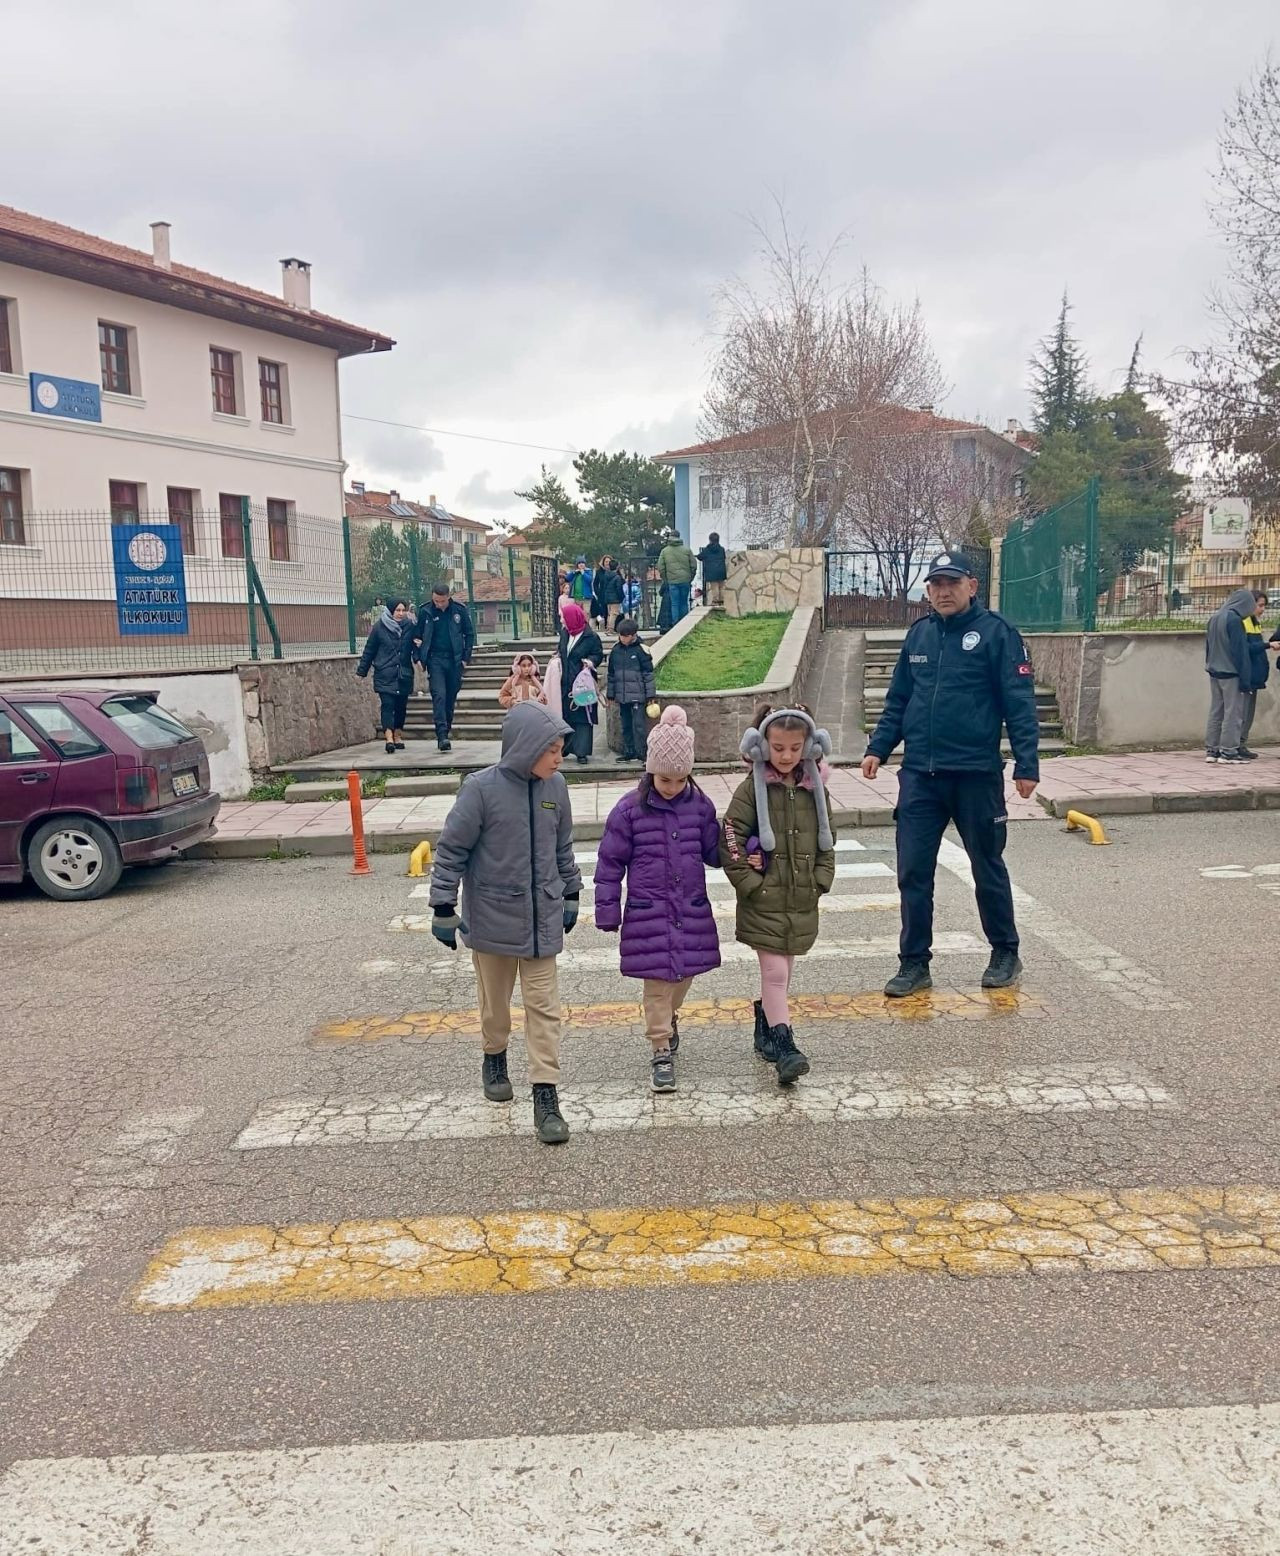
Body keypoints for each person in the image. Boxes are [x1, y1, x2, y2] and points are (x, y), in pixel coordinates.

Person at [861, 549, 1040, 998]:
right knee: (913, 872)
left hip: (975, 774)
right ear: (928, 590)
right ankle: (914, 963)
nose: (943, 591)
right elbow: (899, 700)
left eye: (952, 582)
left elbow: (1019, 703)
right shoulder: (919, 635)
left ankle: (1005, 952)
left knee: (987, 865)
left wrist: (1027, 763)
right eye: (936, 584)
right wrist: (878, 748)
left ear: (971, 586)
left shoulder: (998, 634)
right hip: (920, 776)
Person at [428, 701, 581, 1144]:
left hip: (542, 919)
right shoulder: (480, 790)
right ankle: (494, 1056)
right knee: (495, 1007)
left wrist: (571, 891)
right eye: (552, 750)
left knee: (544, 1009)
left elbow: (562, 846)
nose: (559, 758)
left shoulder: (556, 788)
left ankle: (545, 1094)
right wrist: (443, 906)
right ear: (526, 747)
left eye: (561, 750)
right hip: (493, 919)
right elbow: (451, 850)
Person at [594, 707, 721, 1093]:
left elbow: (714, 853)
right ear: (651, 771)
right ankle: (660, 1049)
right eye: (665, 779)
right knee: (656, 985)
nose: (673, 786)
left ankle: (669, 1016)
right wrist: (607, 908)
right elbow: (610, 862)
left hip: (690, 909)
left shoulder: (700, 806)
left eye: (681, 779)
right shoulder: (629, 810)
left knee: (683, 976)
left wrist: (742, 846)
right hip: (648, 913)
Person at [721, 706, 836, 1086]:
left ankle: (765, 1027)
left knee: (784, 973)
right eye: (778, 747)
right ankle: (786, 1048)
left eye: (795, 748)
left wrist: (820, 880)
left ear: (810, 747)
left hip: (801, 898)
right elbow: (730, 837)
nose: (786, 756)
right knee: (775, 973)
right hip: (765, 898)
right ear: (761, 745)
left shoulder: (815, 789)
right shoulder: (751, 790)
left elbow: (827, 840)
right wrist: (751, 884)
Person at [416, 582, 475, 753]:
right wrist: (418, 657)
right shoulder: (426, 611)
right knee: (439, 696)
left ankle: (446, 729)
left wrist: (465, 658)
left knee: (450, 698)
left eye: (442, 601)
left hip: (455, 660)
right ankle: (441, 735)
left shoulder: (459, 610)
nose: (439, 604)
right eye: (436, 600)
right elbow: (416, 635)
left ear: (448, 597)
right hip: (435, 659)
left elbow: (469, 634)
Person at [545, 601, 603, 764]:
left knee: (582, 717)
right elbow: (562, 650)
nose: (561, 620)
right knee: (566, 715)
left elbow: (598, 654)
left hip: (582, 683)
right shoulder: (565, 633)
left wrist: (590, 661)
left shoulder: (591, 637)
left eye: (563, 617)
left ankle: (581, 752)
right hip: (565, 682)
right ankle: (566, 747)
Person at [356, 596, 416, 753]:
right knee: (388, 705)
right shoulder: (379, 627)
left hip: (403, 673)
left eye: (403, 610)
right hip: (385, 673)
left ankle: (398, 735)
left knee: (401, 706)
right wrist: (362, 670)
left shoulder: (410, 626)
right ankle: (389, 738)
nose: (401, 613)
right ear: (390, 611)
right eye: (397, 610)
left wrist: (420, 658)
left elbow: (415, 646)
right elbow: (370, 650)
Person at [1204, 587, 1257, 764]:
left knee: (1216, 712)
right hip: (1231, 673)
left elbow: (1208, 646)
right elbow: (1240, 651)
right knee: (1233, 713)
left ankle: (1212, 750)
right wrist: (1246, 679)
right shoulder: (1234, 620)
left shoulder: (1214, 617)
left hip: (1214, 671)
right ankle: (1229, 752)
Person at [606, 617, 656, 762]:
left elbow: (648, 674)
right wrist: (611, 694)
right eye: (620, 635)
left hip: (637, 696)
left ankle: (642, 753)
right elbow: (611, 674)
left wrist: (650, 695)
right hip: (622, 696)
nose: (622, 638)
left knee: (639, 726)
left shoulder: (641, 650)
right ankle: (629, 751)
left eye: (625, 636)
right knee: (626, 725)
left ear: (633, 635)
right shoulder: (616, 650)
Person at [1240, 590, 1270, 759]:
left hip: (1256, 676)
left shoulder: (1255, 623)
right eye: (1260, 605)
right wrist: (1267, 645)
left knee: (1249, 712)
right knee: (1243, 712)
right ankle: (1238, 744)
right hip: (1248, 675)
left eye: (1264, 606)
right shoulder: (1244, 623)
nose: (1262, 609)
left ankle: (1242, 743)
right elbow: (1247, 649)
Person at [658, 531, 698, 623]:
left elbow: (661, 567)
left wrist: (666, 578)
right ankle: (684, 622)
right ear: (679, 537)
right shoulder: (687, 550)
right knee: (684, 602)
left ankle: (675, 623)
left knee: (674, 604)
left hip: (672, 581)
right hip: (685, 580)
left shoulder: (665, 551)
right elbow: (693, 566)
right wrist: (690, 577)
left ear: (670, 537)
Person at [591, 555, 626, 632]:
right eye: (606, 561)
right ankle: (610, 629)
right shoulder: (600, 572)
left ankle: (610, 628)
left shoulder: (614, 573)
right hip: (606, 596)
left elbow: (622, 582)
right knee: (611, 613)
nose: (607, 563)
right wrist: (598, 593)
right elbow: (595, 584)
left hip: (611, 596)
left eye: (609, 561)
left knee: (611, 613)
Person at [698, 532, 728, 609]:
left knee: (714, 587)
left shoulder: (707, 549)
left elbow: (700, 557)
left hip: (711, 571)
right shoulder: (722, 549)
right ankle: (722, 601)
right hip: (721, 570)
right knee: (721, 586)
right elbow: (724, 557)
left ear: (710, 540)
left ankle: (715, 601)